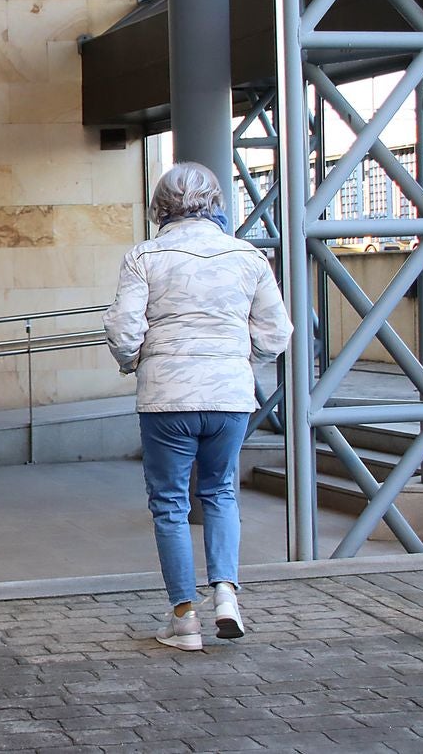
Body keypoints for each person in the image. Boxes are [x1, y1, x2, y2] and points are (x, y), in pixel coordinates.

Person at [102, 162, 291, 652]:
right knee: (221, 492)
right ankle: (226, 594)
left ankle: (184, 617)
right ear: (216, 202)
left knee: (170, 504)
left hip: (167, 396)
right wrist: (239, 355)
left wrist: (133, 361)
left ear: (160, 205)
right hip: (230, 394)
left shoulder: (144, 256)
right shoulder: (247, 256)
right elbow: (278, 333)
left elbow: (123, 330)